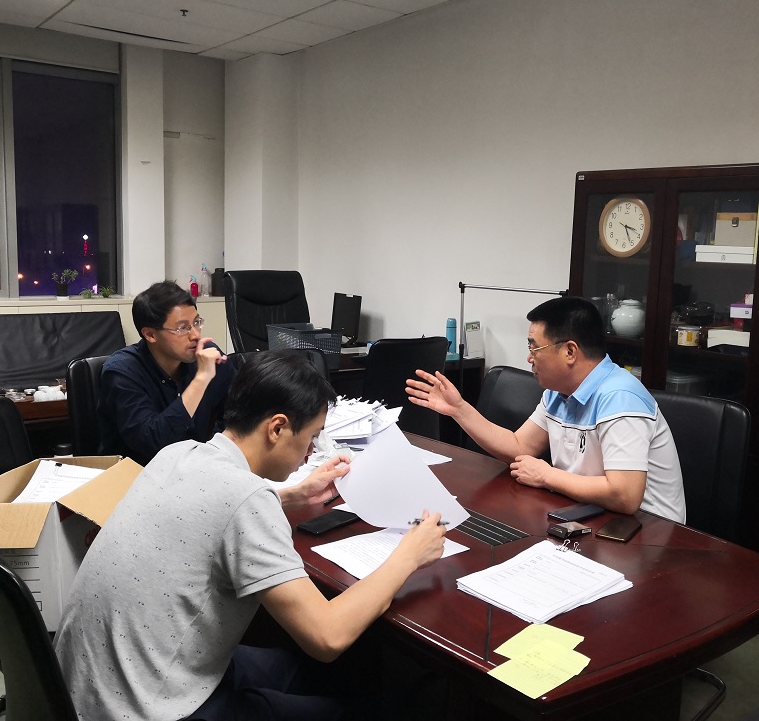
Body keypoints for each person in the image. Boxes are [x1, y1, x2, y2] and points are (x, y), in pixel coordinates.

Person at [54, 351, 445, 720]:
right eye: (311, 438)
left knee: (309, 668)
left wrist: (293, 495)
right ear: (277, 428)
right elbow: (328, 636)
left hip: (87, 689)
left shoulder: (177, 453)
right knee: (349, 702)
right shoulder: (246, 500)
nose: (311, 453)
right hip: (152, 708)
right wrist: (409, 554)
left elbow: (210, 509)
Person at [406, 296, 685, 523]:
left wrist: (546, 475)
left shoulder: (620, 397)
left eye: (535, 347)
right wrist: (459, 409)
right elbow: (519, 446)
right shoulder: (558, 392)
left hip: (650, 532)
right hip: (590, 516)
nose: (529, 358)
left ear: (570, 352)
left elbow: (624, 495)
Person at [98, 280, 236, 465]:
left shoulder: (208, 356)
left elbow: (240, 413)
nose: (195, 335)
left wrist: (211, 452)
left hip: (196, 468)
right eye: (182, 328)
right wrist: (201, 379)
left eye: (196, 322)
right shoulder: (122, 371)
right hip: (136, 473)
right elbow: (153, 443)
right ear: (150, 335)